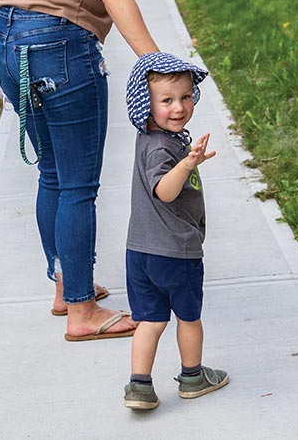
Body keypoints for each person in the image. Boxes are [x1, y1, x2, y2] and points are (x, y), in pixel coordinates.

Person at [0, 0, 172, 342]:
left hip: (7, 35)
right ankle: (82, 313)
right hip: (59, 44)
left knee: (52, 172)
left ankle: (66, 285)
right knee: (77, 185)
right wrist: (158, 66)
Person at [122, 52, 228, 410]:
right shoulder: (163, 148)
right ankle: (193, 376)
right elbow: (165, 191)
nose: (179, 107)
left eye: (185, 97)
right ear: (145, 104)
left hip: (140, 251)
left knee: (149, 321)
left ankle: (139, 386)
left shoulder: (153, 137)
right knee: (188, 317)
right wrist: (187, 163)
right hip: (174, 251)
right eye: (166, 100)